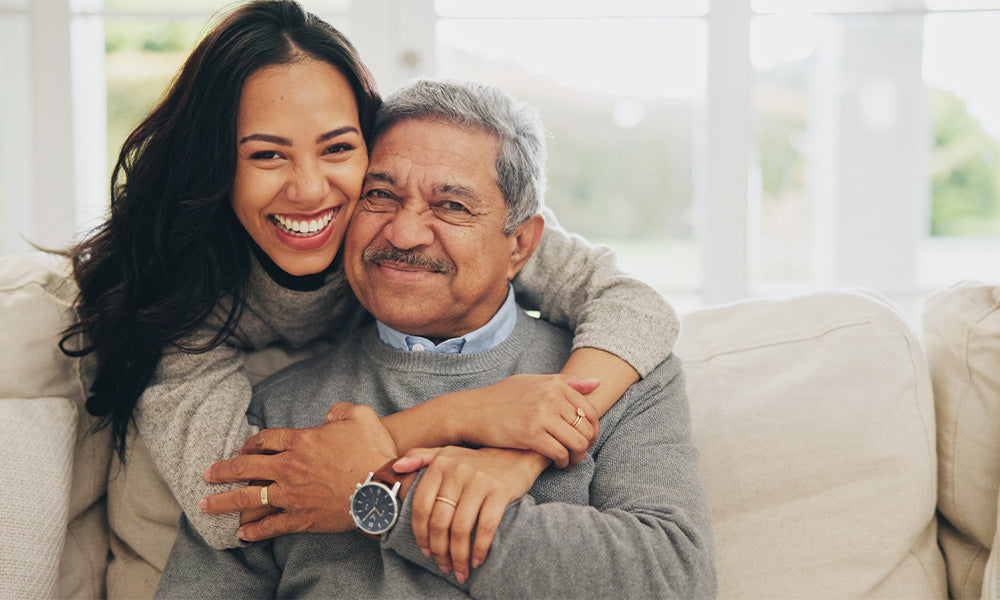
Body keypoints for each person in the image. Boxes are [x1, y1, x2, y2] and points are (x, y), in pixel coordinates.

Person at [59, 0, 680, 560]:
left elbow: (635, 305)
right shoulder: (173, 291)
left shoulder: (410, 210)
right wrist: (458, 415)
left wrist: (522, 451)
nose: (310, 191)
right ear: (216, 164)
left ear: (372, 146)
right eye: (267, 154)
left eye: (337, 148)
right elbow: (230, 510)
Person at [156, 77, 715, 599]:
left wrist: (382, 499)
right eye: (381, 195)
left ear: (520, 244)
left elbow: (673, 577)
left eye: (451, 205)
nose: (403, 233)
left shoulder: (619, 374)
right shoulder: (277, 412)